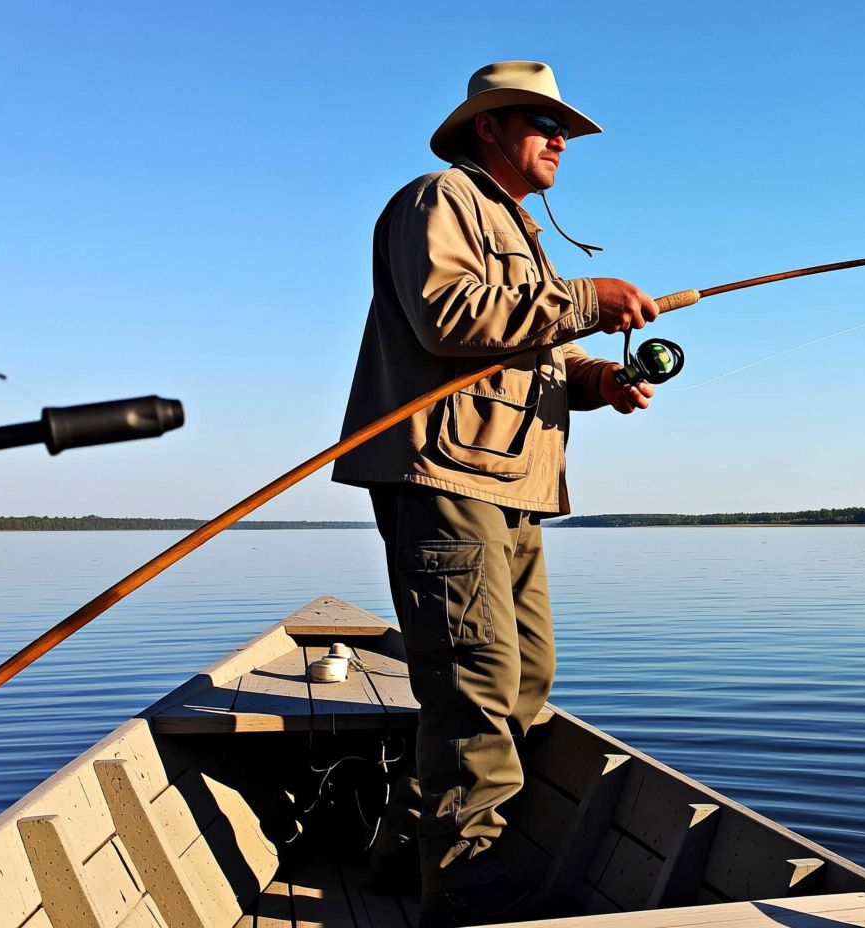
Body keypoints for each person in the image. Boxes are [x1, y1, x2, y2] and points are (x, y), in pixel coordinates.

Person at [332, 60, 659, 920]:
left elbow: (538, 348)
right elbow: (448, 314)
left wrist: (597, 380)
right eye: (544, 124)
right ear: (488, 126)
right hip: (445, 478)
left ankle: (404, 848)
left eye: (566, 131)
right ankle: (462, 886)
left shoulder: (520, 229)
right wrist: (585, 298)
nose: (561, 141)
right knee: (474, 679)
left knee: (526, 678)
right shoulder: (439, 199)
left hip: (512, 484)